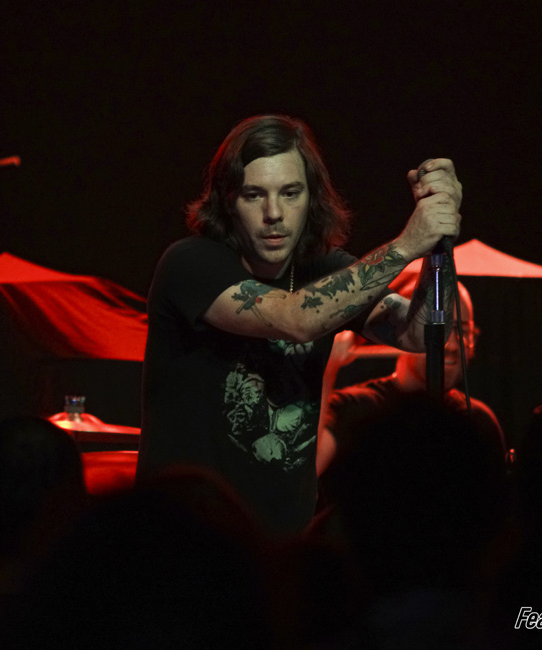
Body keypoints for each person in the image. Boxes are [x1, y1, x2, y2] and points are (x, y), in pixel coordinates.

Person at [138, 114, 463, 535]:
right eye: (254, 195)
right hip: (187, 539)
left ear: (313, 198)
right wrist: (406, 247)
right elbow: (296, 318)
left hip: (284, 546)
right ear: (228, 201)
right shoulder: (191, 264)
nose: (274, 213)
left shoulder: (325, 267)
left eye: (290, 193)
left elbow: (420, 334)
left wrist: (438, 246)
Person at [317, 281, 505, 476]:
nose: (451, 345)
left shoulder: (478, 422)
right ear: (399, 332)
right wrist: (327, 370)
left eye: (462, 331)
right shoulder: (354, 410)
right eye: (436, 330)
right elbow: (301, 478)